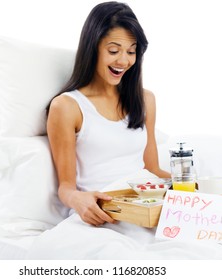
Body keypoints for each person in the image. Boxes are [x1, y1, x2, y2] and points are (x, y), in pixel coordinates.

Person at [46, 1, 170, 226]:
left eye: (131, 51)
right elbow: (66, 188)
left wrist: (192, 189)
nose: (124, 61)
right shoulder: (67, 107)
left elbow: (152, 170)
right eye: (114, 50)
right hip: (105, 214)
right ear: (92, 47)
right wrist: (78, 200)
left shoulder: (145, 100)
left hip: (148, 208)